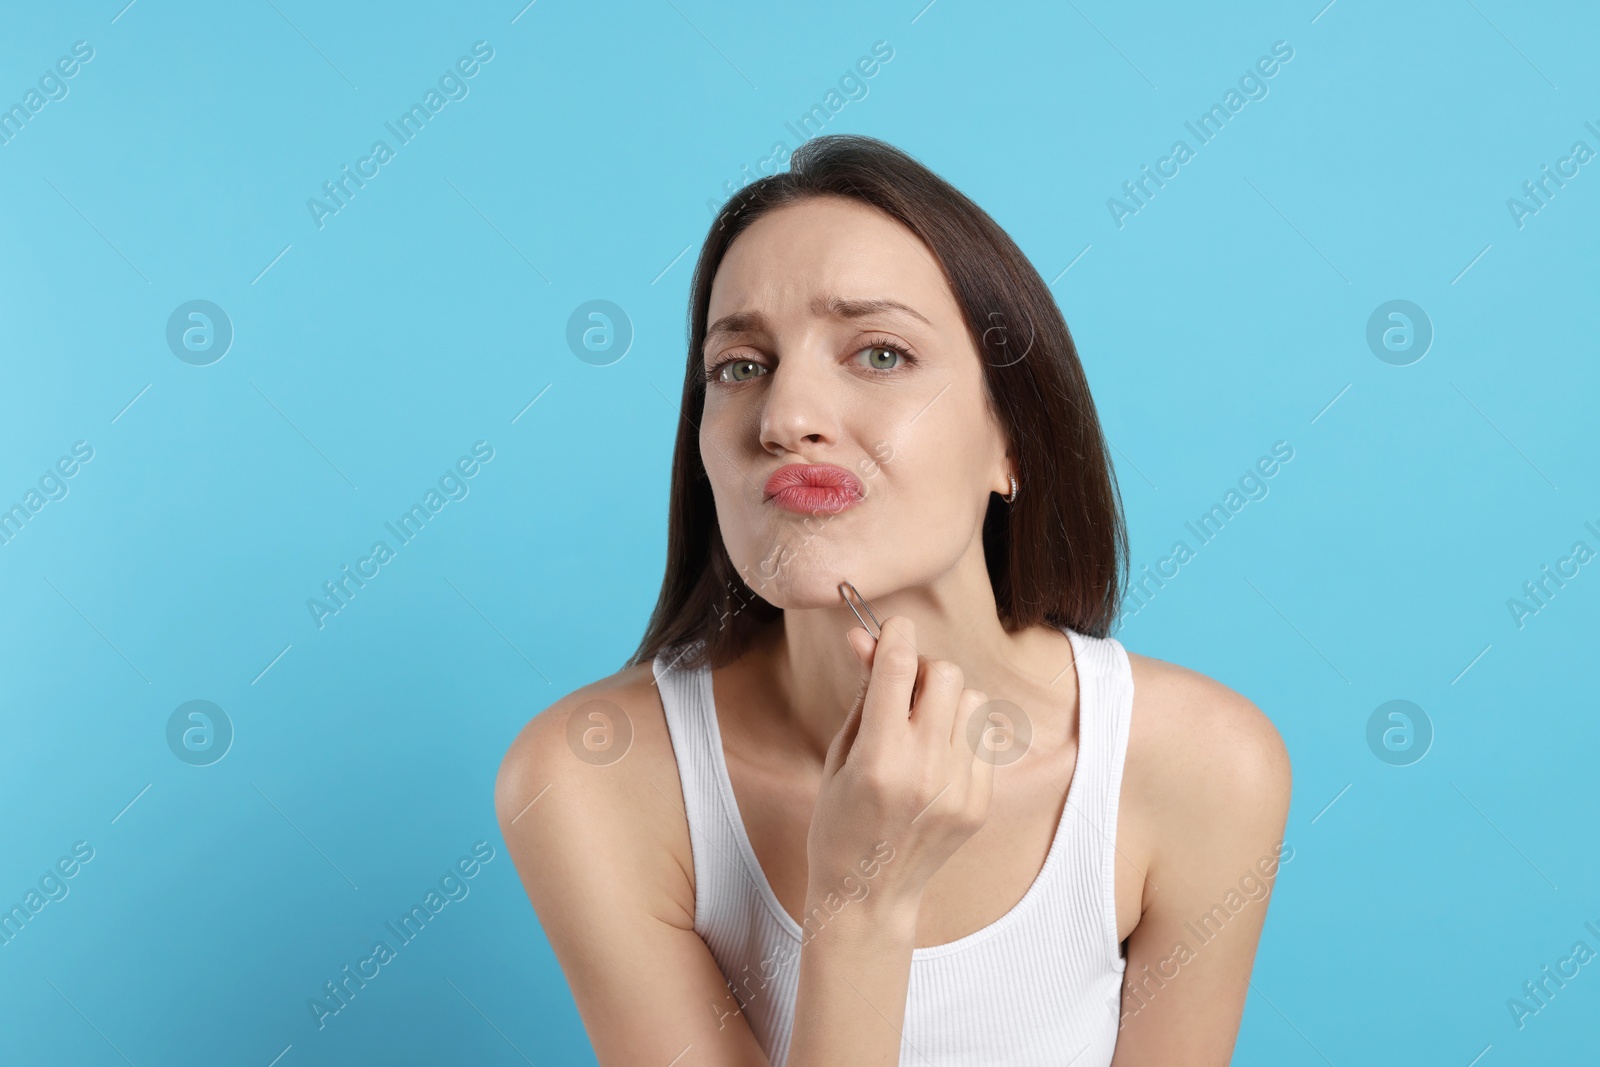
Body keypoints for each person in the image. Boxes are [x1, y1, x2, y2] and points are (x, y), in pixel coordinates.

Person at [495, 134, 1292, 1066]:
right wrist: (860, 905)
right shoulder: (594, 776)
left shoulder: (1202, 768)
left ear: (1014, 443)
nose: (787, 417)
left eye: (878, 353)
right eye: (740, 366)